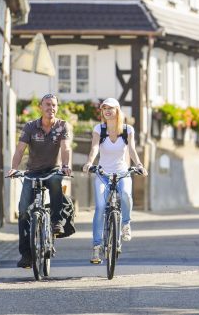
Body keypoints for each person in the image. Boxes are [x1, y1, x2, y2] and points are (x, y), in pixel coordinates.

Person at [8, 94, 72, 268]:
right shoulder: (30, 127)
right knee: (23, 210)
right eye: (47, 105)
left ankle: (56, 221)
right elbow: (20, 150)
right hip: (32, 172)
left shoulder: (62, 126)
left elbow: (66, 147)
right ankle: (26, 255)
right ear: (40, 107)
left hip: (52, 170)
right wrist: (14, 167)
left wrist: (65, 165)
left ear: (57, 108)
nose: (51, 108)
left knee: (56, 180)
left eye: (54, 105)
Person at [82, 97, 147, 264]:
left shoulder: (127, 130)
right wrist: (89, 162)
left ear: (118, 111)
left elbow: (131, 150)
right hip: (103, 174)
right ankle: (97, 246)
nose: (107, 111)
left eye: (111, 108)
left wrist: (139, 164)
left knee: (125, 194)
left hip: (122, 173)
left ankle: (125, 223)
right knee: (101, 207)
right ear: (102, 112)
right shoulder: (99, 129)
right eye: (104, 108)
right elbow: (95, 148)